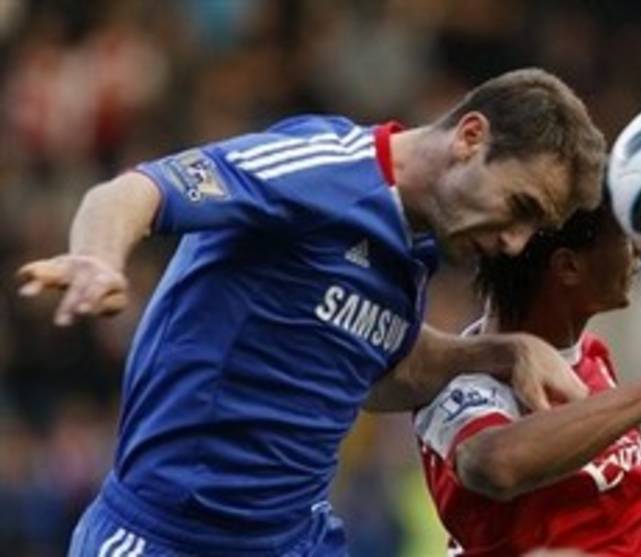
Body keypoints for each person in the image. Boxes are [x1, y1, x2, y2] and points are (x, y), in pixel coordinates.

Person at [17, 68, 606, 556]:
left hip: (294, 539)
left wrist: (505, 352)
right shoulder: (323, 170)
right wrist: (98, 258)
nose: (515, 243)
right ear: (471, 137)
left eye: (534, 227)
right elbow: (134, 192)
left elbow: (384, 370)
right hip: (168, 537)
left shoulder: (421, 244)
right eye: (519, 206)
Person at [414, 194, 641, 556]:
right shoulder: (460, 383)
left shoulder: (590, 353)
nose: (637, 252)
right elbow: (494, 464)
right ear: (568, 267)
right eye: (624, 237)